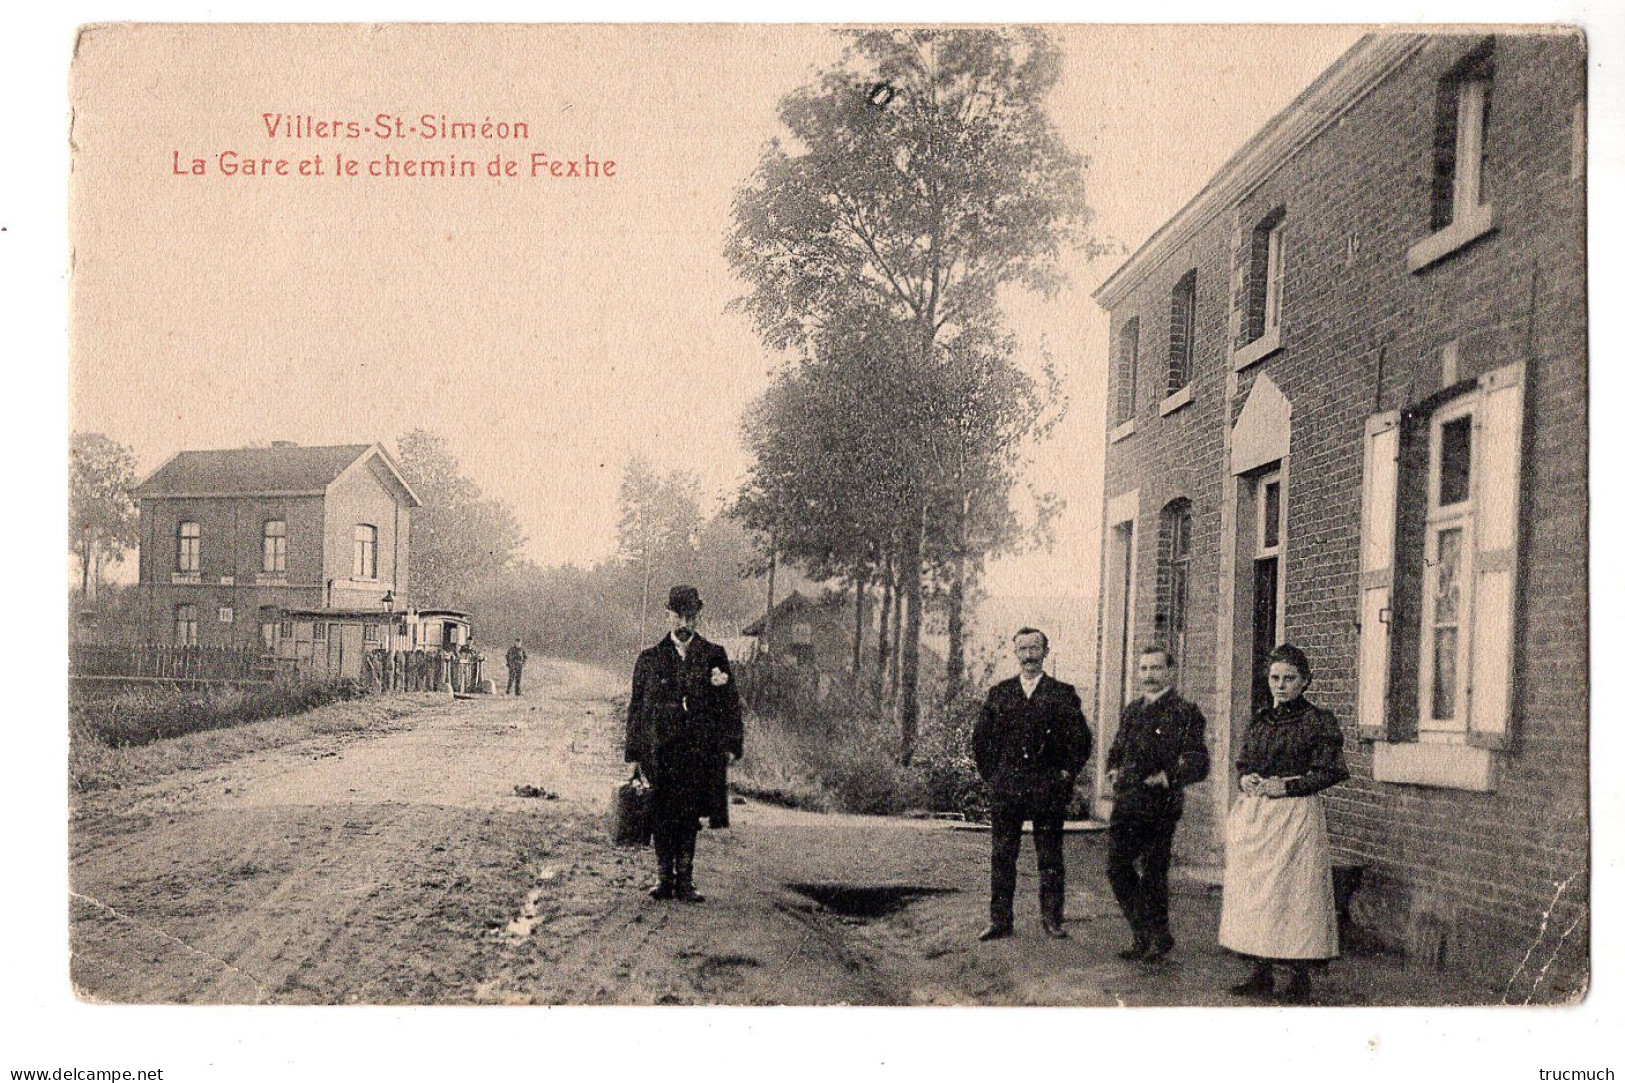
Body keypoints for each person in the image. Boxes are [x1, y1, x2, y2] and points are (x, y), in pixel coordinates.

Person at [1219, 643, 1349, 1002]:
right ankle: (1260, 972)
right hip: (1259, 816)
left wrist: (1288, 786)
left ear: (1305, 681)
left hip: (1295, 816)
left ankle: (1298, 978)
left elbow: (1332, 771)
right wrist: (1246, 779)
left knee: (1294, 894)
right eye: (1275, 678)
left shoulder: (1317, 722)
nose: (1281, 685)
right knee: (1256, 892)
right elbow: (1244, 762)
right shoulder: (1260, 719)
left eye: (1289, 678)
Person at [970, 628, 1091, 942]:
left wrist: (1066, 774)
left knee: (1050, 856)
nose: (1028, 655)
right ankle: (1000, 921)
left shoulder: (1062, 693)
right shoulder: (1000, 693)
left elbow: (1081, 740)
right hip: (1007, 789)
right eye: (1022, 649)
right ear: (1015, 653)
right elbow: (981, 739)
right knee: (1002, 855)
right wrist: (993, 776)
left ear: (1045, 652)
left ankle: (1052, 919)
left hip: (1047, 789)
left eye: (1034, 648)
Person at [625, 585, 744, 903]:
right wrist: (634, 753)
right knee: (661, 815)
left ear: (697, 617)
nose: (684, 624)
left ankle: (686, 881)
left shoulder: (713, 656)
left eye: (690, 617)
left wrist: (731, 744)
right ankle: (664, 879)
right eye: (678, 616)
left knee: (689, 815)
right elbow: (637, 709)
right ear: (668, 616)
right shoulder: (650, 659)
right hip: (660, 753)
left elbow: (729, 704)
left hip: (697, 751)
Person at [1105, 645, 1210, 962]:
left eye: (1155, 668)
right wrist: (1113, 769)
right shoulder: (1132, 710)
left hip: (1160, 805)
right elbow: (1117, 749)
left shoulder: (1185, 712)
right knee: (1117, 868)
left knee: (1153, 872)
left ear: (1170, 672)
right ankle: (1150, 931)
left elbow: (1198, 761)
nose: (1149, 675)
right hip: (1127, 802)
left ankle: (1148, 938)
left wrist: (1167, 776)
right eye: (1144, 669)